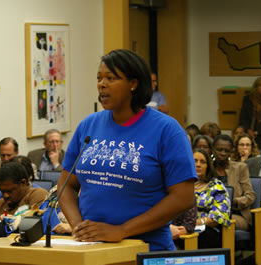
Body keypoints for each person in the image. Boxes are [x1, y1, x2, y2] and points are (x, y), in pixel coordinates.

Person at [58, 49, 197, 251]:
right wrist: (79, 228)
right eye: (99, 78)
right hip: (93, 250)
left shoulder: (167, 129)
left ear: (133, 83)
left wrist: (122, 230)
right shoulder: (88, 126)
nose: (101, 84)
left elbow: (183, 197)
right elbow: (66, 185)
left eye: (111, 78)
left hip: (147, 248)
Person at [0, 162, 48, 239]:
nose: (5, 195)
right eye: (2, 191)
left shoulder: (37, 194)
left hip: (22, 248)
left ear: (23, 183)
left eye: (10, 191)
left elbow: (34, 225)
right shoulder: (0, 204)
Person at [212, 134, 255, 231]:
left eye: (226, 151)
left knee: (217, 219)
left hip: (236, 214)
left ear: (231, 152)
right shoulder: (208, 168)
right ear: (213, 150)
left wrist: (233, 201)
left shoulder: (240, 168)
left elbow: (250, 196)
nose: (223, 153)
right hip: (211, 212)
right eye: (219, 150)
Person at [193, 148, 231, 249]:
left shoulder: (216, 186)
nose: (198, 165)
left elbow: (219, 216)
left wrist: (197, 222)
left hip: (207, 230)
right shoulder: (181, 185)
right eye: (195, 161)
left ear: (208, 166)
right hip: (182, 228)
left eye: (202, 162)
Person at [239, 77, 261, 154]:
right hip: (249, 131)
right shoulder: (247, 99)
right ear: (256, 86)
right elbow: (243, 117)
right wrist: (248, 130)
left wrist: (257, 132)